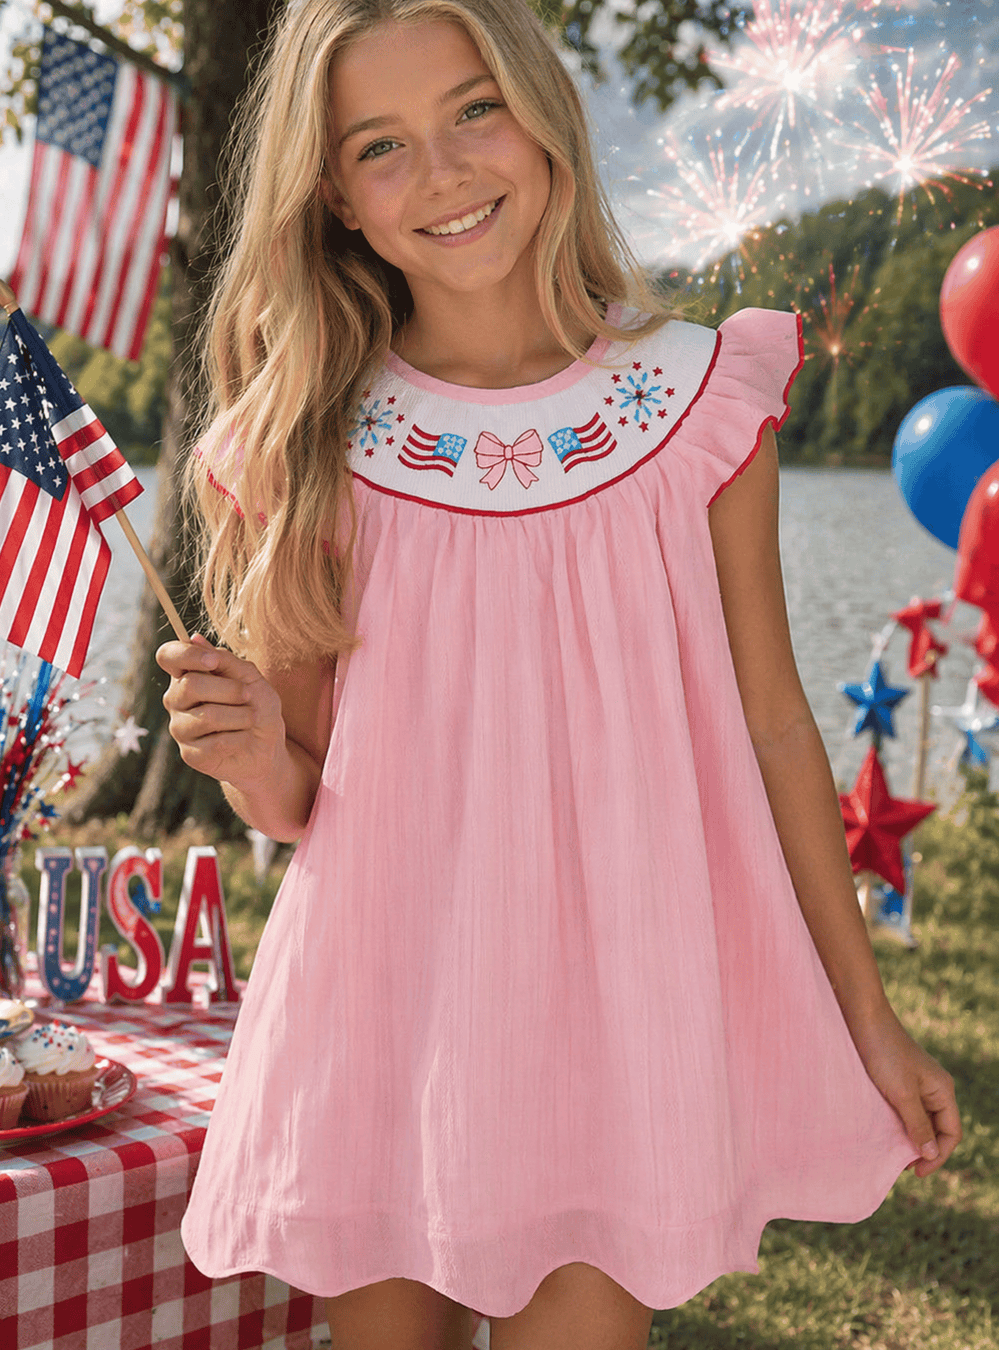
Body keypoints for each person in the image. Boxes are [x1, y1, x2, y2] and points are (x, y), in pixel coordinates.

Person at [158, 0, 962, 1346]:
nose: (448, 172)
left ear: (543, 113)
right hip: (386, 1017)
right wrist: (251, 758)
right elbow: (298, 797)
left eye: (474, 109)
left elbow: (774, 727)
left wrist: (865, 1019)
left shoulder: (697, 402)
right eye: (382, 146)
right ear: (336, 198)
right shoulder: (307, 444)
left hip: (614, 1018)